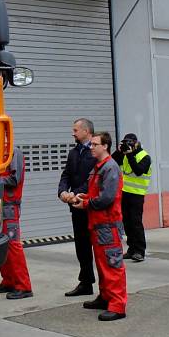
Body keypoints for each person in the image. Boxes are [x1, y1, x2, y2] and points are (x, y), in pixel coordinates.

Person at [72, 132, 127, 321]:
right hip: (98, 224)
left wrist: (86, 203)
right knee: (103, 265)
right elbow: (96, 193)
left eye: (95, 144)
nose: (91, 147)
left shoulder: (109, 168)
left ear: (105, 146)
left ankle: (117, 305)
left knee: (112, 265)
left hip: (107, 225)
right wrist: (83, 197)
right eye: (92, 144)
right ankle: (105, 297)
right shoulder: (99, 167)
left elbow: (107, 198)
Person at [0, 146, 34, 299]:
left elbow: (15, 179)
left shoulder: (14, 153)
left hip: (9, 206)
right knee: (2, 246)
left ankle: (24, 286)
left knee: (13, 246)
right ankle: (9, 281)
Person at [58, 118, 97, 297]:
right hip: (76, 206)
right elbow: (66, 174)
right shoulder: (74, 152)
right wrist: (63, 191)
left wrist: (76, 193)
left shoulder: (96, 151)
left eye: (75, 130)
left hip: (91, 206)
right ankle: (86, 282)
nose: (73, 133)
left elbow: (92, 178)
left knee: (98, 247)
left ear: (86, 131)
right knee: (81, 246)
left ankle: (105, 287)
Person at [112, 133, 152, 262]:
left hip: (137, 195)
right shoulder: (124, 155)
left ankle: (140, 251)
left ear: (136, 143)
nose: (127, 146)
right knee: (127, 223)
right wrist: (119, 151)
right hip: (124, 193)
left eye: (129, 143)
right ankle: (131, 249)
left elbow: (138, 170)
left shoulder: (144, 156)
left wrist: (129, 155)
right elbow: (112, 161)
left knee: (136, 223)